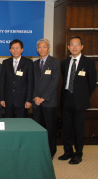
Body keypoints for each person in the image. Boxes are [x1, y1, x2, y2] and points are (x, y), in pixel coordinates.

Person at [59, 36, 97, 164]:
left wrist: (82, 95)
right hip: (66, 98)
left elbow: (92, 83)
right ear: (68, 47)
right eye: (72, 44)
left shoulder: (89, 62)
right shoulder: (64, 63)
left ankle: (78, 153)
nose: (74, 47)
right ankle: (68, 151)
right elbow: (65, 80)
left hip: (80, 100)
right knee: (67, 128)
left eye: (77, 44)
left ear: (82, 47)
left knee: (79, 129)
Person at [32, 39, 60, 159]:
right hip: (36, 102)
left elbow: (54, 82)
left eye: (44, 47)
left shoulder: (54, 62)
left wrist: (43, 98)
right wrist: (35, 97)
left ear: (48, 48)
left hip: (49, 101)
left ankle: (51, 151)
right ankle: (39, 150)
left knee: (50, 128)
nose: (42, 49)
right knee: (38, 128)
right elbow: (32, 83)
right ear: (37, 49)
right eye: (39, 47)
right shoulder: (34, 64)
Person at [0, 39, 33, 118]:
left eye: (17, 48)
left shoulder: (28, 63)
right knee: (9, 123)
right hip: (8, 100)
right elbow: (2, 82)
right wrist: (2, 98)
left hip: (22, 100)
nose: (15, 50)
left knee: (21, 124)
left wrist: (28, 100)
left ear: (22, 50)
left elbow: (30, 82)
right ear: (10, 50)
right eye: (13, 48)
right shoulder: (5, 62)